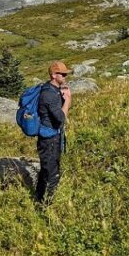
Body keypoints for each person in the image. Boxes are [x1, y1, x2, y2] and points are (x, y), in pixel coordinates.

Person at [34, 61, 72, 203]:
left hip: (50, 136)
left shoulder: (52, 89)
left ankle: (38, 199)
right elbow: (61, 118)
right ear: (54, 75)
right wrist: (67, 99)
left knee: (46, 170)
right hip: (49, 140)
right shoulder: (49, 94)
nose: (65, 76)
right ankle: (48, 206)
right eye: (62, 74)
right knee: (52, 173)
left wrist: (64, 98)